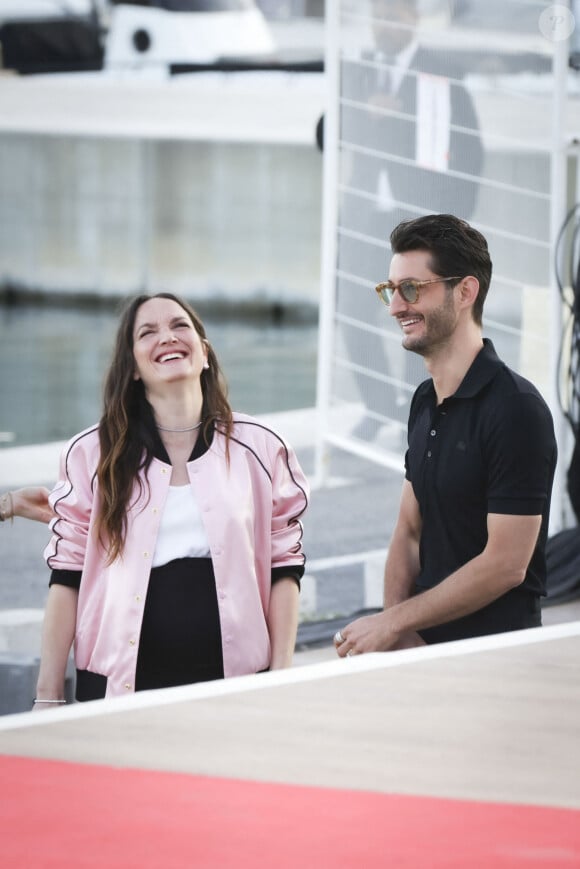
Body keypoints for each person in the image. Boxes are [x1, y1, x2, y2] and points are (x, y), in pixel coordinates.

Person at [24, 292, 308, 707]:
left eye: (179, 326)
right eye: (148, 332)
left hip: (238, 685)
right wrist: (48, 697)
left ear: (205, 353)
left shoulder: (261, 448)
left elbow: (285, 568)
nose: (167, 337)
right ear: (133, 367)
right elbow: (67, 578)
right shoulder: (90, 454)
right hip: (117, 689)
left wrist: (280, 677)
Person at [334, 213, 557, 657]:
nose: (396, 306)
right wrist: (397, 640)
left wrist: (394, 623)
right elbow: (409, 531)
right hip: (422, 647)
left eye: (412, 289)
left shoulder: (517, 409)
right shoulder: (423, 400)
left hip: (495, 657)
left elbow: (506, 565)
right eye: (390, 290)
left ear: (465, 292)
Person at [319, 0, 484, 440]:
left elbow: (470, 155)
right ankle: (379, 408)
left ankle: (424, 413)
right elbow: (323, 136)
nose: (385, 25)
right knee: (352, 311)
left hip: (415, 225)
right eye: (379, 16)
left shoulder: (441, 74)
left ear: (413, 19)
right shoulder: (359, 70)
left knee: (420, 316)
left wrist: (451, 230)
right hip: (362, 217)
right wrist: (360, 113)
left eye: (394, 16)